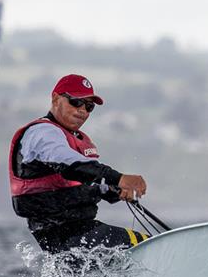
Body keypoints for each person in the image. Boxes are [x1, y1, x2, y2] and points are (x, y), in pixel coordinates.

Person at [9, 74, 149, 253]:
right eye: (76, 102)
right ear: (56, 98)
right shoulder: (42, 133)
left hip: (78, 235)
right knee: (148, 244)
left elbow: (83, 181)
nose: (82, 110)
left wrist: (114, 189)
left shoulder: (74, 140)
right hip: (67, 235)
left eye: (89, 106)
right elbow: (70, 165)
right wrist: (119, 178)